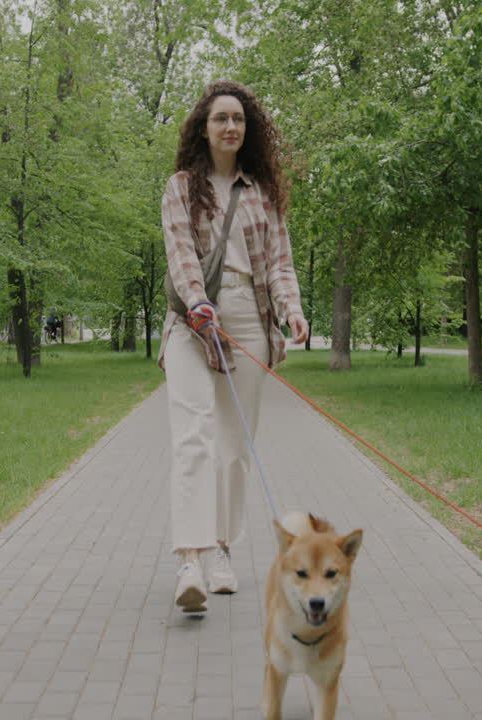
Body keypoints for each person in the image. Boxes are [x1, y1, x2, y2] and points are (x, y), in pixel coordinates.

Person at [159, 80, 309, 614]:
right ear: (204, 127)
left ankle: (222, 551)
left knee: (235, 446)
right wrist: (200, 307)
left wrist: (291, 310)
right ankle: (189, 563)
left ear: (249, 131)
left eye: (239, 120)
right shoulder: (180, 187)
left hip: (248, 320)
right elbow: (180, 256)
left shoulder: (262, 194)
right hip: (192, 321)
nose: (230, 127)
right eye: (221, 118)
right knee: (193, 434)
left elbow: (281, 264)